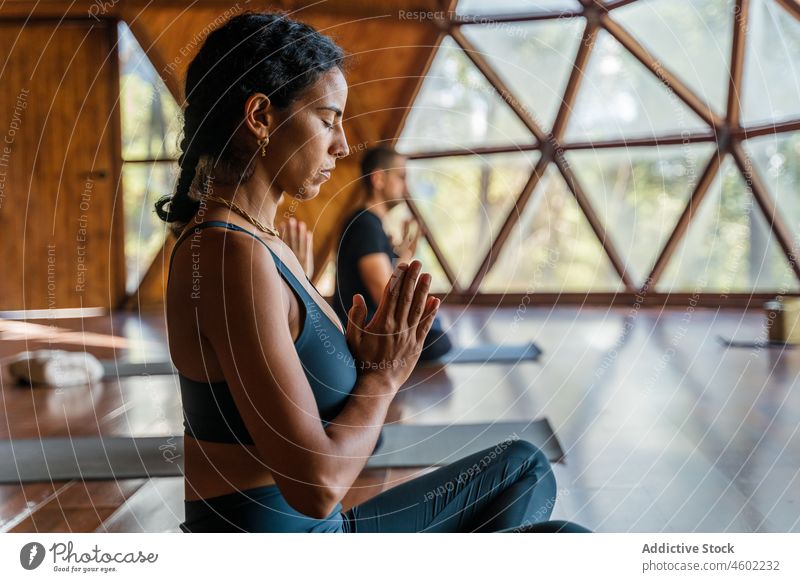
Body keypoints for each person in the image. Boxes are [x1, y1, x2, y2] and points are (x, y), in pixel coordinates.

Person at [157, 11, 589, 534]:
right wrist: (383, 379)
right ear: (260, 117)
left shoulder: (258, 243)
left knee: (525, 466)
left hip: (324, 536)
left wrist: (363, 362)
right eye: (327, 119)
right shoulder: (231, 254)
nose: (341, 146)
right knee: (565, 539)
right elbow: (315, 488)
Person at [333, 146, 453, 362]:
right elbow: (385, 297)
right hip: (365, 336)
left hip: (369, 330)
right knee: (439, 340)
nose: (405, 186)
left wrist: (402, 253)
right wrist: (406, 258)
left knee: (435, 326)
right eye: (400, 177)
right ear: (378, 179)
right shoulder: (365, 226)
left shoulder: (369, 223)